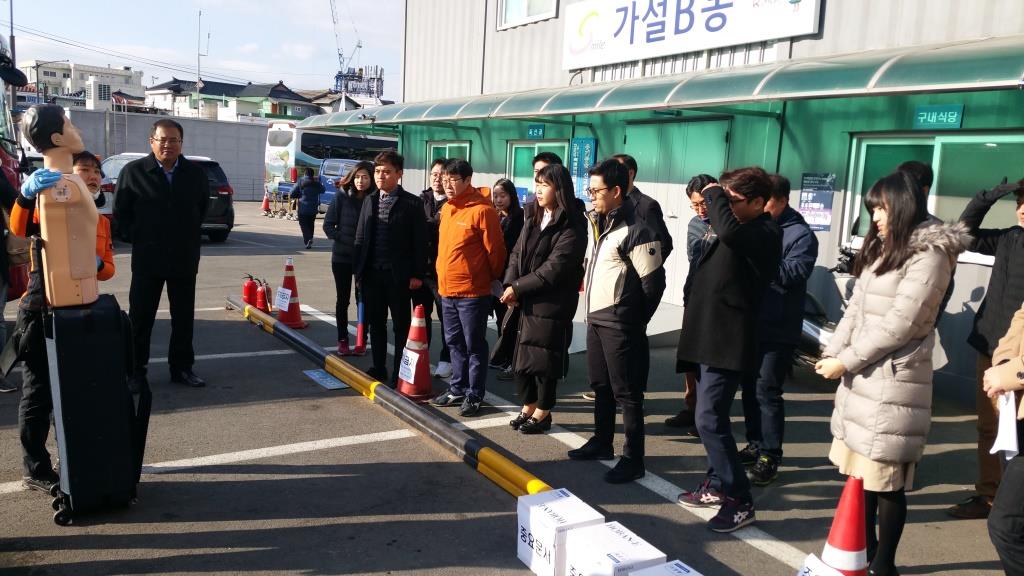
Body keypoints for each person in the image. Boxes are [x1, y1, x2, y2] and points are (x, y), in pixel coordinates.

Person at [816, 172, 969, 576]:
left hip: (893, 379)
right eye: (873, 210)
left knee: (885, 479)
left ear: (904, 206)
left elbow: (901, 324)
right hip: (865, 376)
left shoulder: (930, 254)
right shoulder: (885, 246)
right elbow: (856, 307)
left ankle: (884, 565)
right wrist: (832, 351)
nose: (876, 218)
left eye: (882, 209)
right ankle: (864, 553)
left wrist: (846, 361)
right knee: (860, 473)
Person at [13, 107, 115, 493]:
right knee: (39, 391)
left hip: (80, 304)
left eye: (96, 172)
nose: (91, 176)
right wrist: (25, 196)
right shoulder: (52, 190)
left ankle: (71, 458)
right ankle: (36, 467)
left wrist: (96, 263)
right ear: (56, 140)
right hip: (43, 302)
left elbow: (106, 267)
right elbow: (20, 228)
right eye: (84, 170)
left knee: (75, 389)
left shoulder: (93, 213)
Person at [675, 167, 781, 533]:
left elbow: (729, 233)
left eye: (733, 200)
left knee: (708, 419)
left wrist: (714, 191)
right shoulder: (739, 228)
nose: (725, 206)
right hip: (709, 337)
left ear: (758, 202)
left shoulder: (764, 232)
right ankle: (718, 483)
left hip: (728, 341)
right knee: (710, 418)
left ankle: (740, 499)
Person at [567, 159, 665, 484]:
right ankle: (601, 441)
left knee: (628, 394)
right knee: (601, 385)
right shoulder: (599, 224)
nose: (591, 195)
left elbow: (654, 285)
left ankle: (633, 459)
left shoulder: (638, 230)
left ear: (617, 191)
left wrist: (632, 319)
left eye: (596, 190)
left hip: (620, 324)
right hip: (596, 320)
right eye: (590, 189)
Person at [948, 176, 1024, 520]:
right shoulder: (1010, 237)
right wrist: (987, 197)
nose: (1022, 210)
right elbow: (963, 234)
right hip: (989, 346)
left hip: (1019, 358)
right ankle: (989, 495)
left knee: (1018, 434)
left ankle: (1013, 505)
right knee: (989, 428)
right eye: (1019, 202)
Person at [115, 119, 208, 389]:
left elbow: (201, 210)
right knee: (140, 318)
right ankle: (135, 372)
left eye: (174, 140)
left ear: (181, 143)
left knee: (183, 318)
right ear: (152, 141)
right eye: (163, 140)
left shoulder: (194, 174)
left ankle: (182, 368)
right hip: (148, 258)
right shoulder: (134, 172)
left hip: (184, 257)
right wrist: (142, 238)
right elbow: (121, 214)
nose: (168, 145)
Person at [738, 174, 818, 486]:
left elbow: (793, 273)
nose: (760, 206)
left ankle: (770, 455)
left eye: (766, 200)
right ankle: (755, 443)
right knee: (749, 387)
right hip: (751, 322)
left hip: (778, 326)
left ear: (782, 200)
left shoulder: (800, 234)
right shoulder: (755, 226)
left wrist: (759, 257)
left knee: (767, 391)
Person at [499, 164, 586, 434]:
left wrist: (517, 288)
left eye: (545, 185)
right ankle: (528, 404)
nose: (538, 190)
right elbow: (516, 253)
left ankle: (543, 411)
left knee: (543, 360)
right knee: (521, 357)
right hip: (525, 297)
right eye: (537, 183)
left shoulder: (573, 223)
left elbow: (554, 268)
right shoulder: (533, 216)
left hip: (551, 301)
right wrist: (510, 283)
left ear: (559, 189)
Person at [429, 159, 506, 417]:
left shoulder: (483, 211)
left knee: (474, 345)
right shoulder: (447, 208)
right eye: (444, 180)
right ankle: (457, 388)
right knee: (453, 343)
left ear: (468, 180)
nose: (447, 185)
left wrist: (485, 278)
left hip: (472, 292)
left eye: (453, 180)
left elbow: (496, 253)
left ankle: (474, 393)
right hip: (447, 289)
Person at [353, 150, 427, 384]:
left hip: (399, 276)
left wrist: (417, 274)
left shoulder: (412, 203)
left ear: (399, 174)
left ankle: (400, 372)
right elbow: (360, 237)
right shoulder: (369, 200)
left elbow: (420, 242)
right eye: (377, 171)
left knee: (401, 326)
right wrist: (358, 271)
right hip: (372, 274)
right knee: (376, 323)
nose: (380, 176)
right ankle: (378, 367)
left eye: (386, 171)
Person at [666, 173, 718, 431]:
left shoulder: (728, 224)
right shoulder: (694, 224)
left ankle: (706, 416)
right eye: (694, 205)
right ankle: (691, 406)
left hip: (716, 303)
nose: (699, 210)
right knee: (688, 357)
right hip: (694, 295)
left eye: (703, 204)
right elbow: (692, 259)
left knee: (709, 361)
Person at [983, 302, 1024, 575]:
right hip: (1016, 412)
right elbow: (1021, 319)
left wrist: (1009, 375)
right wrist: (1003, 364)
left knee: (1006, 526)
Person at [323, 160, 374, 356]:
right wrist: (348, 240)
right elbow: (328, 226)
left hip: (365, 259)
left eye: (365, 177)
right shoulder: (341, 196)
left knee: (364, 299)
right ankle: (342, 339)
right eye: (358, 177)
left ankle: (362, 340)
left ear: (371, 179)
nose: (361, 181)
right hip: (342, 258)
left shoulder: (374, 199)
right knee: (343, 300)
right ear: (352, 178)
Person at [418, 158, 452, 378]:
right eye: (434, 174)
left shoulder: (453, 203)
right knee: (421, 317)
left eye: (441, 174)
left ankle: (447, 359)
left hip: (443, 272)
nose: (437, 178)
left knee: (447, 319)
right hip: (422, 270)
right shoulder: (420, 200)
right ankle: (421, 356)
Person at [489, 178, 524, 379]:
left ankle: (512, 359)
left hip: (509, 277)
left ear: (512, 196)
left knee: (509, 321)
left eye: (503, 195)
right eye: (495, 196)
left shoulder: (519, 218)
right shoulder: (494, 216)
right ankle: (503, 356)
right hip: (495, 277)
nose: (499, 200)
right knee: (500, 319)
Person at [294, 167, 324, 249]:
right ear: (313, 174)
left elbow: (292, 192)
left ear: (304, 174)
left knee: (303, 224)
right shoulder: (316, 183)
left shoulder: (300, 181)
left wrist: (298, 195)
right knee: (311, 224)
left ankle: (308, 239)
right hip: (313, 207)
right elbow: (323, 190)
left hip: (303, 207)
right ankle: (310, 238)